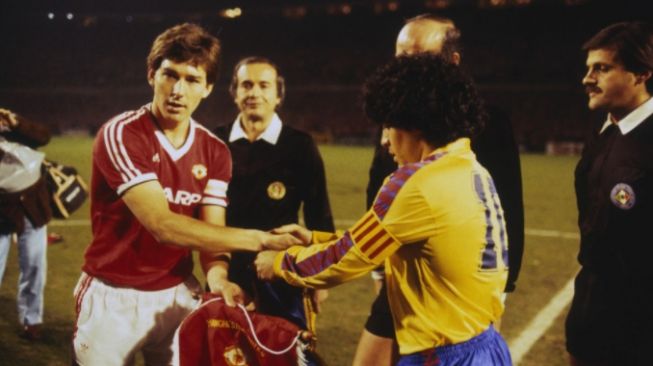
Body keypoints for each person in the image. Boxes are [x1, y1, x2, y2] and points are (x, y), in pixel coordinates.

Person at [255, 54, 512, 366]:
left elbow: (348, 259)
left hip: (442, 356)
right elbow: (391, 240)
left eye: (388, 126)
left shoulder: (416, 183)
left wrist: (280, 264)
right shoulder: (471, 168)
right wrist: (314, 239)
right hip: (487, 346)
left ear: (413, 123)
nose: (385, 141)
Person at [71, 23, 300, 366]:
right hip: (114, 296)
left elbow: (213, 236)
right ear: (152, 75)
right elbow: (162, 225)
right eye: (169, 75)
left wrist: (220, 278)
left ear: (207, 88)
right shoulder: (121, 134)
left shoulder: (215, 151)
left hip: (176, 294)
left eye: (192, 80)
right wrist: (261, 240)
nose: (178, 90)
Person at [360, 14, 525, 365]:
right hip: (401, 278)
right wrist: (378, 273)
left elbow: (509, 211)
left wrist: (499, 298)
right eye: (400, 56)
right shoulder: (395, 115)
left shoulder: (488, 121)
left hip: (458, 297)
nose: (404, 66)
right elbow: (377, 188)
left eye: (417, 56)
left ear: (452, 62)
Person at [213, 57, 334, 334]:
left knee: (280, 353)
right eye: (246, 85)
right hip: (226, 271)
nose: (254, 92)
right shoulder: (215, 142)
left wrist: (319, 280)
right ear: (234, 93)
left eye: (263, 85)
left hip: (282, 273)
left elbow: (319, 216)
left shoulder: (300, 146)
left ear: (278, 95)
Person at [565, 21, 653, 366]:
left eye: (602, 68)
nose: (588, 79)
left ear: (641, 72)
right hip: (591, 303)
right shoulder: (604, 132)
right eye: (588, 69)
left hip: (639, 322)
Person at [0, 107, 52, 341]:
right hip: (2, 210)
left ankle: (31, 319)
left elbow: (43, 137)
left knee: (34, 265)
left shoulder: (13, 128)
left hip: (31, 205)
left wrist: (15, 122)